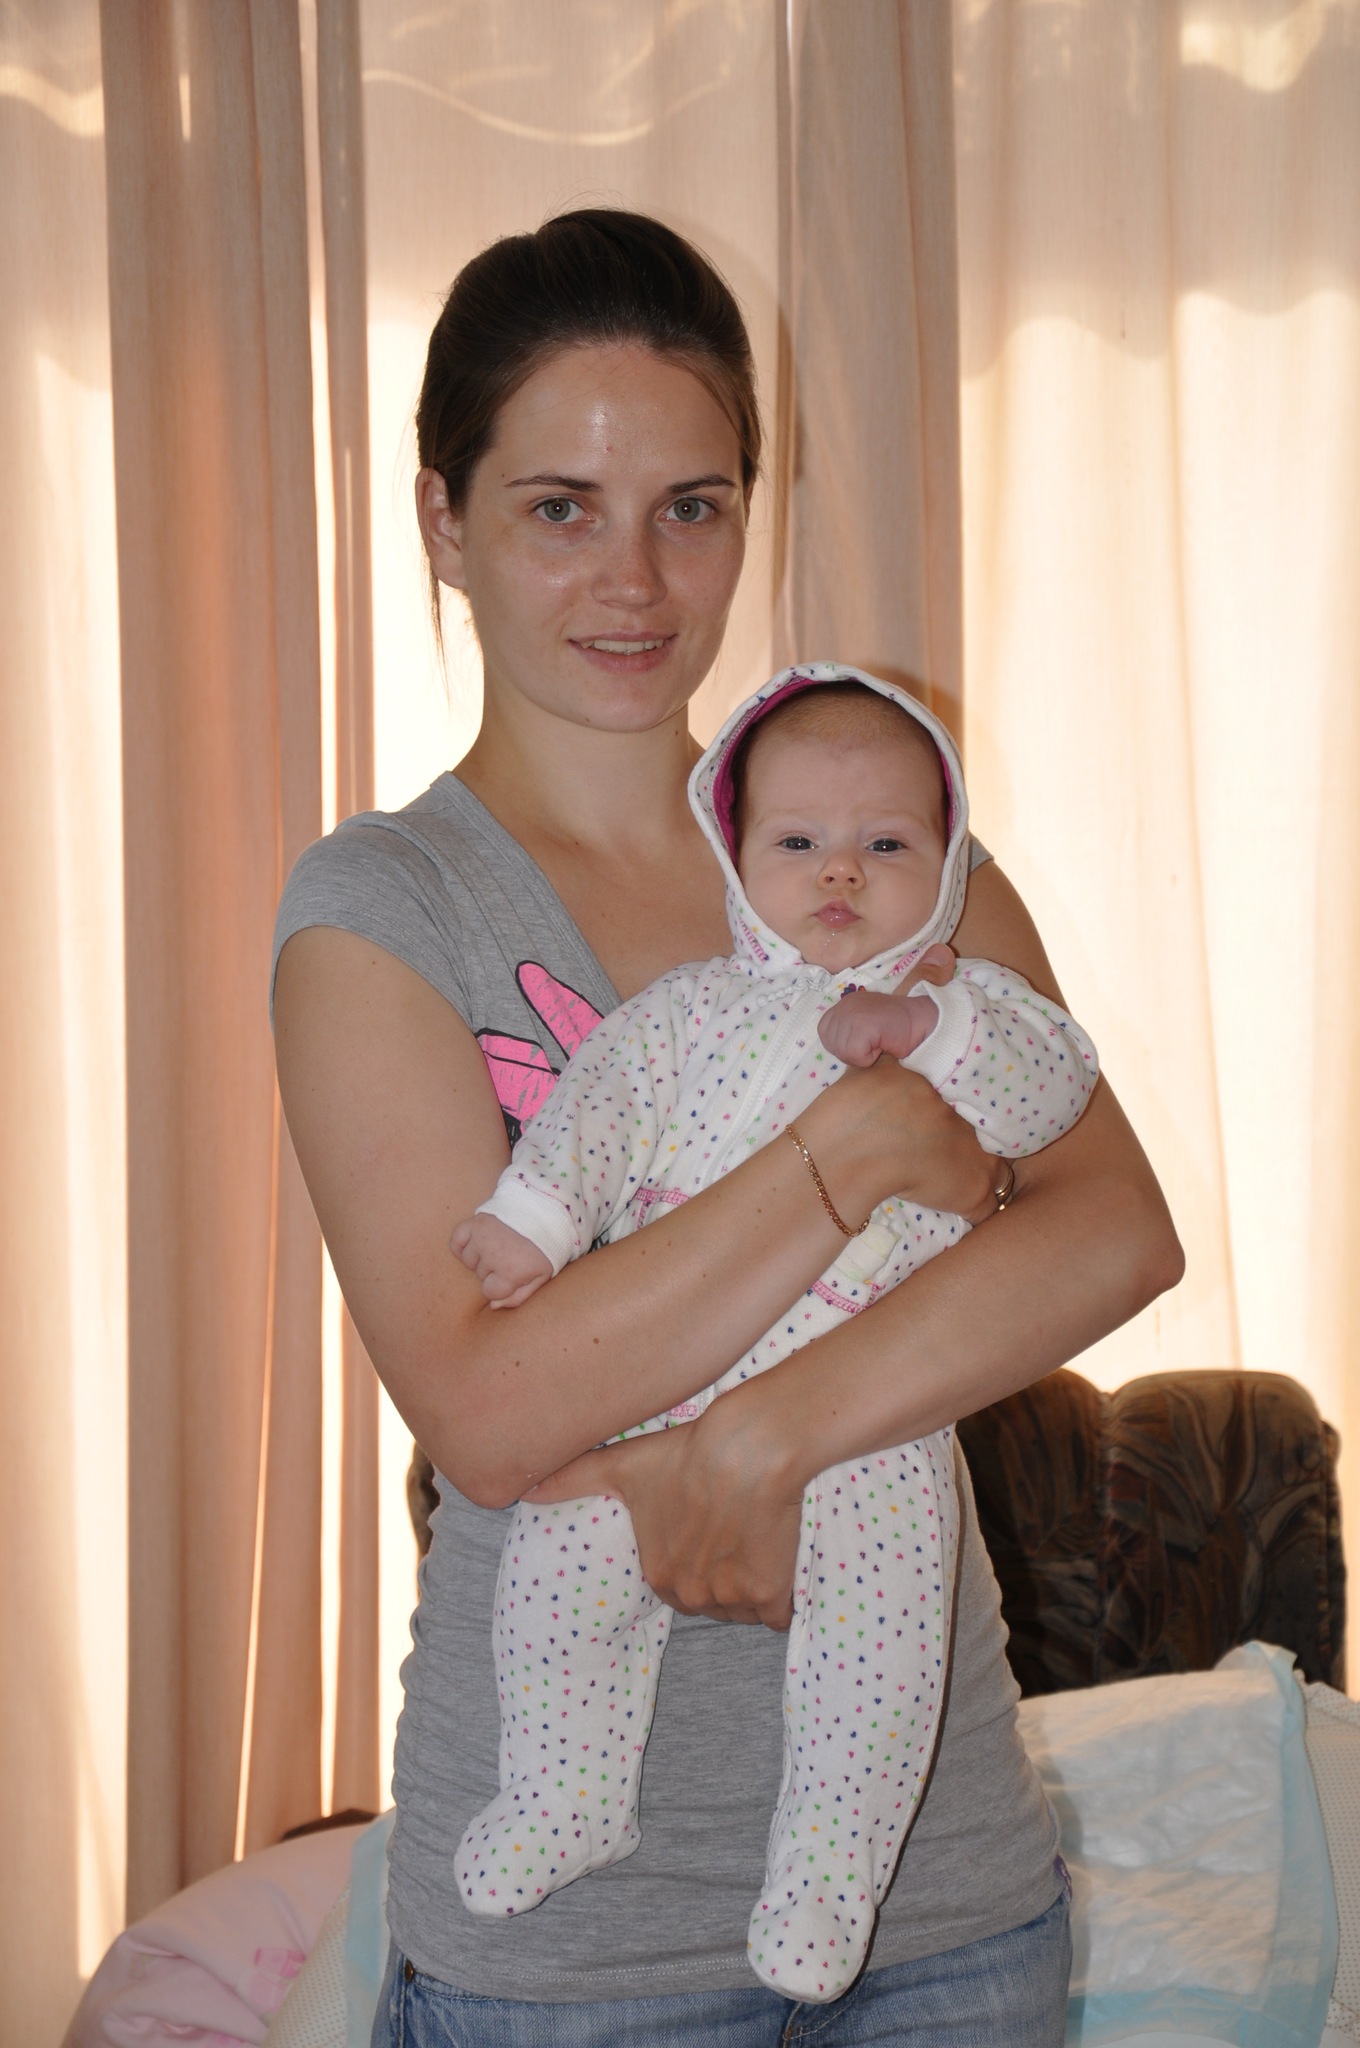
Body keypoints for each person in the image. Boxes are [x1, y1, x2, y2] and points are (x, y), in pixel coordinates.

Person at [271, 209, 1182, 2046]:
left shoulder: (886, 853)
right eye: (559, 508)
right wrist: (848, 1156)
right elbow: (490, 1408)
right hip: (573, 1960)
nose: (634, 580)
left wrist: (757, 1442)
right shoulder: (386, 908)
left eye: (690, 505)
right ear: (442, 519)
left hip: (948, 1898)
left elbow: (1113, 1230)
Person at [450, 669, 1098, 2005]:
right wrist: (535, 1217)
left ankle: (828, 1875)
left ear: (949, 864)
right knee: (559, 1573)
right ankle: (566, 1795)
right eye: (799, 841)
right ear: (737, 857)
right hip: (666, 1378)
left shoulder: (970, 1008)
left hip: (875, 1397)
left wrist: (933, 1027)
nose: (841, 873)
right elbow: (597, 1111)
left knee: (880, 1651)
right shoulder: (688, 1011)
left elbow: (1056, 1088)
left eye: (887, 844)